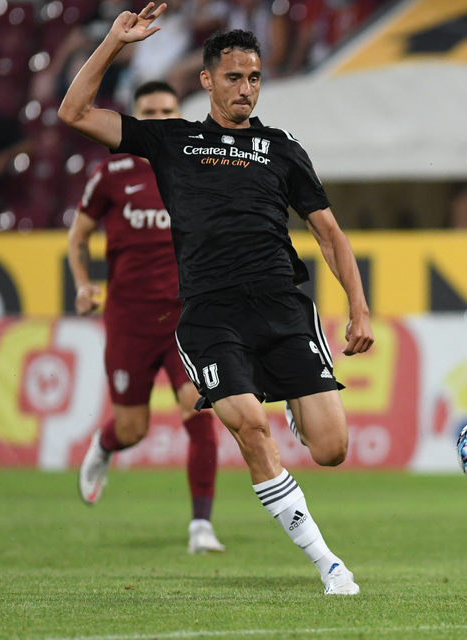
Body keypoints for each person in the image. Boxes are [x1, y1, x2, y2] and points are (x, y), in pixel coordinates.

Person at [59, 3, 374, 595]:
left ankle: (291, 402)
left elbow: (328, 233)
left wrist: (358, 306)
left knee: (332, 450)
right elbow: (73, 112)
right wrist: (113, 43)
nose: (245, 89)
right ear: (205, 81)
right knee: (250, 428)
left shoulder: (282, 148)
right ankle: (328, 562)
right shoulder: (171, 139)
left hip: (283, 305)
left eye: (254, 78)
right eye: (233, 77)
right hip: (209, 314)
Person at [71, 80, 226, 555]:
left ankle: (201, 526)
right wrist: (82, 283)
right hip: (129, 319)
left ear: (179, 113)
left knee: (199, 410)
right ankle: (103, 446)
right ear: (134, 116)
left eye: (166, 109)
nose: (158, 117)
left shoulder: (198, 170)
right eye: (149, 110)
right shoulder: (111, 174)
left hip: (185, 317)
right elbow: (78, 237)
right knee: (133, 429)